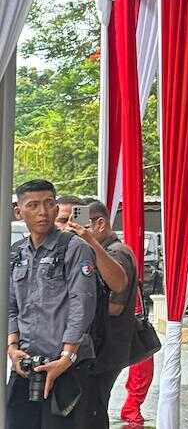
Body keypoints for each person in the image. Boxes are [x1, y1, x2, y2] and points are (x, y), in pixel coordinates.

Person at [7, 180, 98, 428]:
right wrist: (12, 347)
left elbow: (83, 304)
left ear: (57, 208)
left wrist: (67, 356)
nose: (42, 212)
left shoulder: (74, 247)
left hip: (66, 364)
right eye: (33, 205)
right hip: (26, 364)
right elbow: (10, 304)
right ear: (19, 212)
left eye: (49, 204)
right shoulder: (16, 252)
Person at [66, 202, 137, 424]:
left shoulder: (116, 253)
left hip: (105, 349)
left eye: (80, 226)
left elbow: (115, 306)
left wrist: (77, 308)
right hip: (99, 349)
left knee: (92, 412)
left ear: (99, 223)